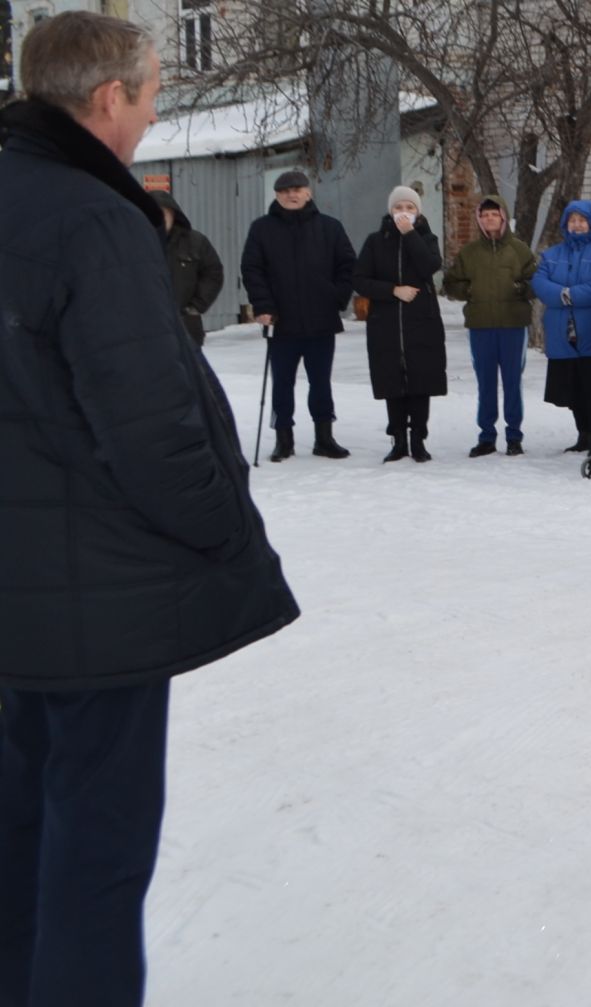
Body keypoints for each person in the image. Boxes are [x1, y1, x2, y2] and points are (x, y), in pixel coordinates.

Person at [0, 14, 300, 1004]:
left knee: (18, 838)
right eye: (152, 90)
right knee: (93, 853)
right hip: (97, 611)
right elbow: (150, 423)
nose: (157, 107)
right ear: (106, 101)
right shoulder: (93, 217)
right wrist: (224, 532)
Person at [241, 169, 356, 462]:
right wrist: (263, 307)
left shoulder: (330, 227)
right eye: (285, 191)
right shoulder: (262, 229)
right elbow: (252, 270)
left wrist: (336, 298)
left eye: (298, 189)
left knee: (321, 382)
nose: (292, 194)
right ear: (277, 195)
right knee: (282, 383)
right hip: (281, 322)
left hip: (321, 320)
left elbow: (347, 266)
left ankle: (324, 437)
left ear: (308, 193)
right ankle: (284, 439)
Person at [352, 185, 448, 463]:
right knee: (392, 380)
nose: (403, 213)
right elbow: (359, 279)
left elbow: (429, 266)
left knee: (420, 380)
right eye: (398, 208)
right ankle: (398, 440)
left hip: (422, 320)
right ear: (390, 210)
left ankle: (418, 439)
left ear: (417, 212)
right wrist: (392, 290)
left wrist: (410, 234)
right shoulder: (375, 241)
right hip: (386, 322)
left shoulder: (427, 238)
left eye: (409, 208)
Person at [443, 193, 538, 457]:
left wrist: (521, 288)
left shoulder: (519, 250)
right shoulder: (469, 253)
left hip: (513, 326)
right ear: (479, 220)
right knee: (485, 383)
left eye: (494, 214)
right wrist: (470, 290)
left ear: (503, 218)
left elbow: (536, 282)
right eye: (484, 215)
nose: (489, 219)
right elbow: (451, 283)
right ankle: (486, 436)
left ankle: (514, 436)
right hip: (481, 326)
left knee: (511, 382)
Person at [534, 199, 591, 451]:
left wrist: (568, 295)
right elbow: (540, 283)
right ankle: (583, 434)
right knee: (572, 390)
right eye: (572, 220)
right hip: (562, 334)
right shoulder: (552, 255)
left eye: (582, 220)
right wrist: (563, 294)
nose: (577, 225)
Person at [149, 189, 223, 347]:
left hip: (187, 327)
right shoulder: (133, 243)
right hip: (146, 330)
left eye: (164, 213)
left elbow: (213, 273)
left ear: (173, 214)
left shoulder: (195, 242)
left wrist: (196, 306)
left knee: (189, 371)